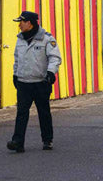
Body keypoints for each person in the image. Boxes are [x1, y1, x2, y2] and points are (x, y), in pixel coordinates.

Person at [6, 10, 62, 153]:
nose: (19, 25)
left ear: (29, 23)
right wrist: (15, 75)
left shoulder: (46, 39)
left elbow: (54, 58)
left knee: (43, 112)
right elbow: (17, 59)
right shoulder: (20, 39)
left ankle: (47, 140)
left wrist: (50, 73)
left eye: (21, 22)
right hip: (24, 82)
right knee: (21, 113)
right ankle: (18, 142)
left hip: (40, 82)